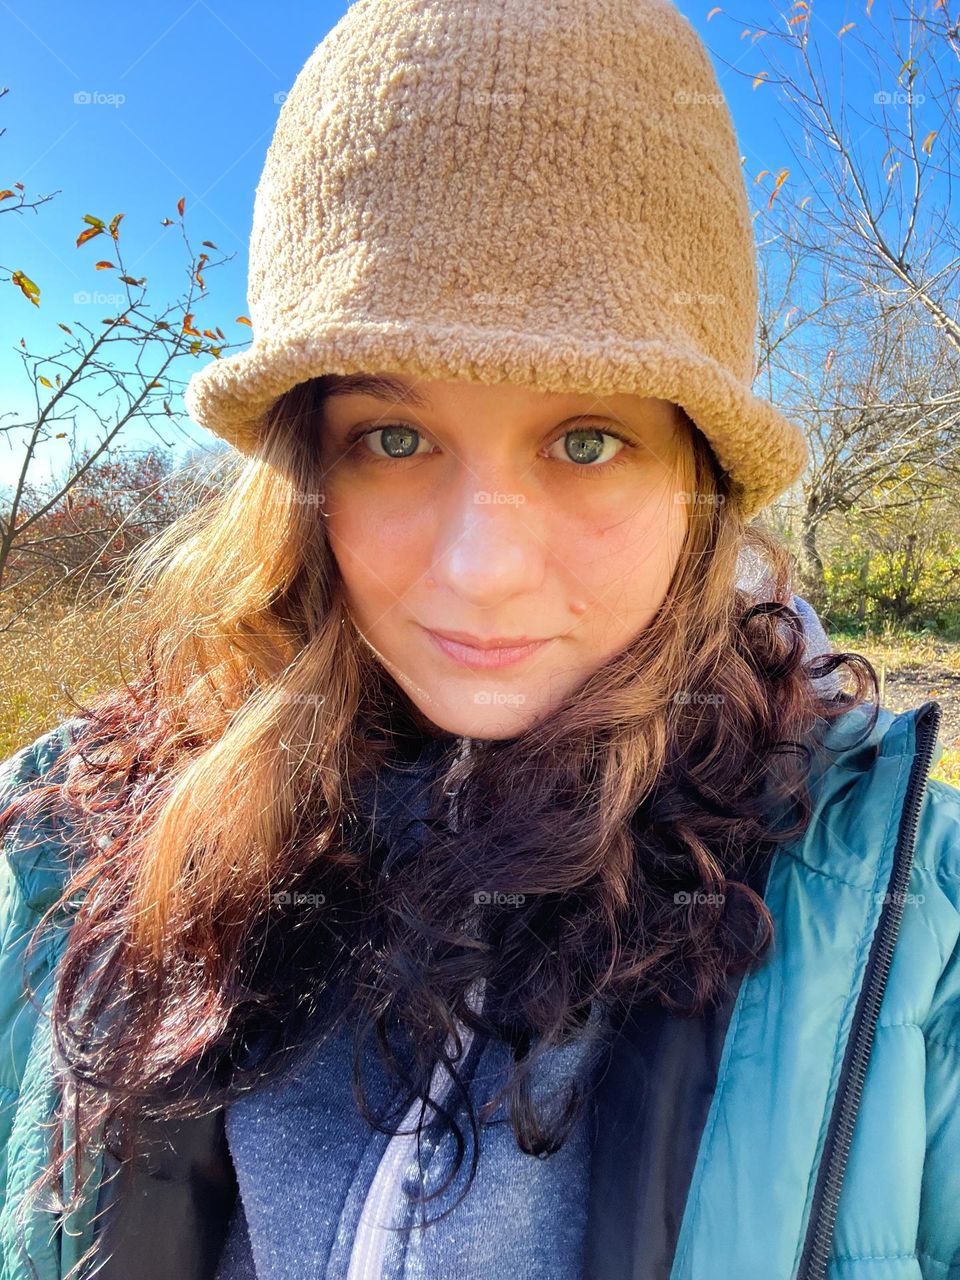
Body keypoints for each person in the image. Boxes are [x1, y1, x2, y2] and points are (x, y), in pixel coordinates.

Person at [1, 2, 958, 1279]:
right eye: (394, 439)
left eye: (586, 440)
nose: (482, 568)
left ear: (699, 478)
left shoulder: (909, 920)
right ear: (303, 471)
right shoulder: (67, 854)